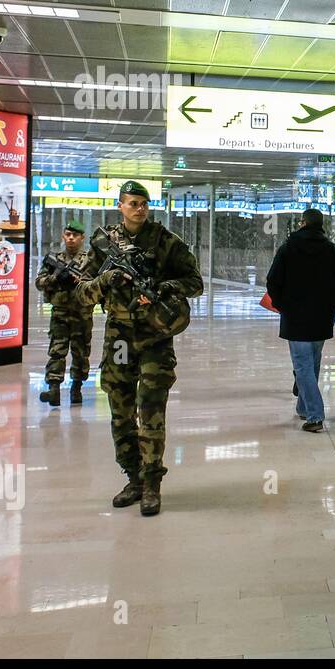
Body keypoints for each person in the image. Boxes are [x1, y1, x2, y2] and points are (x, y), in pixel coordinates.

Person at [74, 181, 203, 516]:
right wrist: (106, 281)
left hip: (155, 335)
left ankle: (152, 485)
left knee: (151, 410)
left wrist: (164, 287)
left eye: (144, 204)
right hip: (119, 335)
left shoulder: (167, 243)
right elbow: (81, 293)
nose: (139, 209)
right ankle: (132, 477)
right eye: (132, 203)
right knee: (120, 409)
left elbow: (195, 283)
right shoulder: (102, 245)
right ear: (121, 206)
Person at [265, 208, 335, 432]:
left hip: (295, 318)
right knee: (312, 362)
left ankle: (315, 415)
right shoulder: (334, 251)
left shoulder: (287, 249)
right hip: (321, 319)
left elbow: (272, 281)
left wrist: (284, 305)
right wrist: (330, 304)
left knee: (303, 365)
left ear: (302, 223)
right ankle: (303, 406)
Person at [33, 219, 95, 406]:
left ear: (82, 238)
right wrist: (55, 278)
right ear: (63, 236)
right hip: (60, 313)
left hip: (82, 314)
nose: (71, 238)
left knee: (81, 352)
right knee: (57, 351)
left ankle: (76, 388)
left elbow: (97, 285)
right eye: (68, 234)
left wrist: (79, 282)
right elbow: (39, 282)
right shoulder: (55, 259)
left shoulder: (89, 261)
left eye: (75, 235)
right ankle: (54, 389)